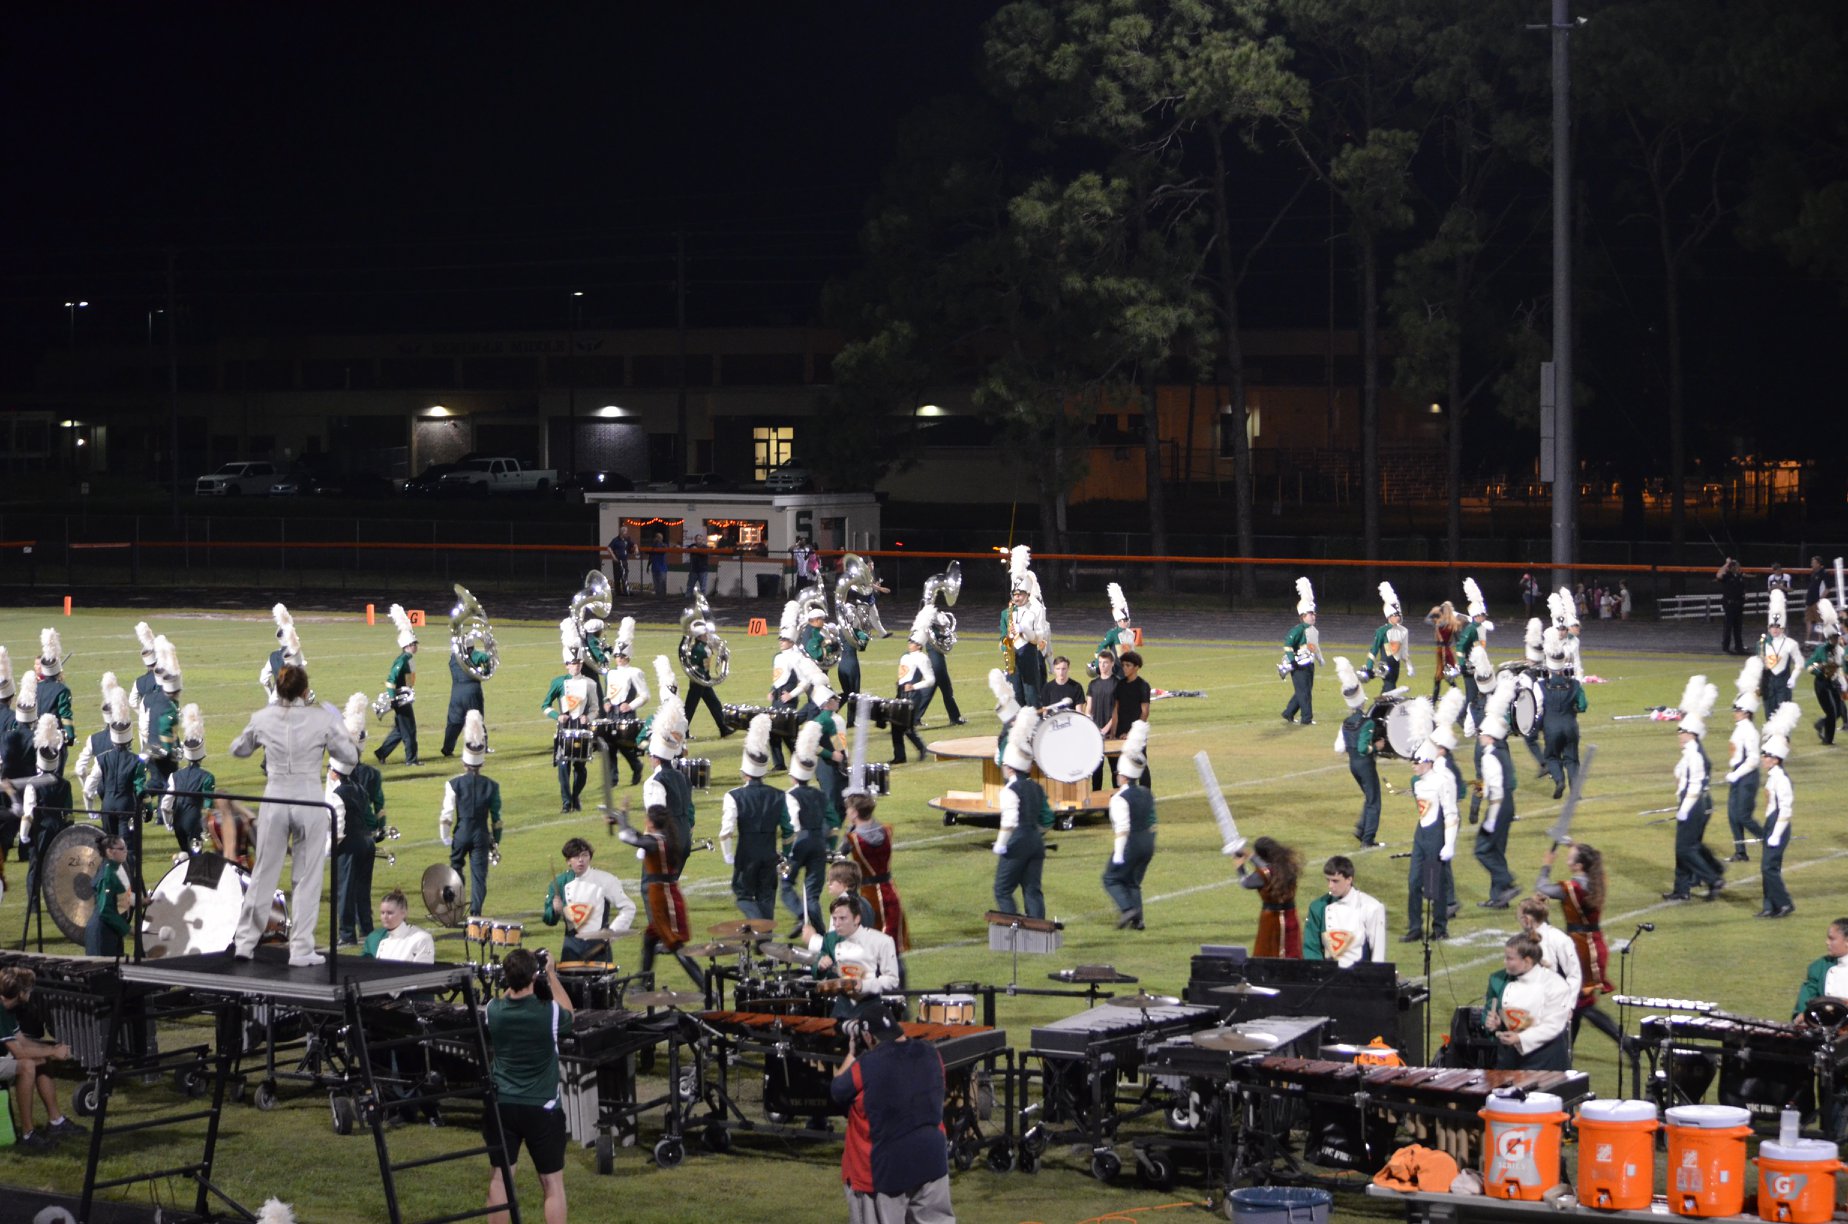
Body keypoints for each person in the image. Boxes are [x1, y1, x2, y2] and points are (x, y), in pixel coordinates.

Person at [231, 664, 359, 966]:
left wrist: (260, 735)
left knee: (263, 873)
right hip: (309, 799)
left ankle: (244, 943)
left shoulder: (263, 717)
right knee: (306, 876)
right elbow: (350, 756)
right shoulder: (322, 718)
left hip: (275, 798)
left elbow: (239, 749)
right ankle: (301, 949)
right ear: (305, 690)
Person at [830, 1005, 954, 1224]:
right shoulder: (931, 1053)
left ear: (868, 1036)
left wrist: (852, 1054)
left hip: (883, 1172)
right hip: (932, 1162)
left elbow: (837, 1090)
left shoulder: (867, 1064)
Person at [483, 947, 573, 1224]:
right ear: (534, 976)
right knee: (552, 1184)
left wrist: (525, 974)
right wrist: (551, 974)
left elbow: (506, 997)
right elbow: (570, 1013)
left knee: (500, 1179)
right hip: (542, 1107)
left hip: (503, 1105)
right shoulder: (549, 1013)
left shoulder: (493, 1010)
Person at [613, 802, 706, 992]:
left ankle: (705, 986)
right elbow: (638, 836)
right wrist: (622, 820)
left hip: (664, 898)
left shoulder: (654, 843)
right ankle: (644, 983)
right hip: (663, 894)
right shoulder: (662, 839)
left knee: (675, 945)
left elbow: (629, 838)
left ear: (650, 822)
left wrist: (621, 821)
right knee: (649, 939)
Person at [1535, 842, 1620, 1045]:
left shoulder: (1570, 888)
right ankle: (1567, 1050)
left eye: (1570, 857)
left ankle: (1625, 1042)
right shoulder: (1598, 880)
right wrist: (1573, 844)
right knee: (1575, 1001)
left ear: (1578, 865)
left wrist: (1547, 865)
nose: (1567, 859)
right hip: (1594, 945)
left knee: (1581, 1004)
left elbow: (1541, 887)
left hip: (1580, 949)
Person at [1, 966, 83, 1151]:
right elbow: (19, 1053)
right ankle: (28, 1134)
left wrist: (52, 1048)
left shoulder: (7, 1007)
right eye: (29, 990)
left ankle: (56, 1121)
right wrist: (53, 1051)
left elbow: (22, 1041)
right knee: (27, 1066)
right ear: (21, 993)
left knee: (42, 1058)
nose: (31, 993)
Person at [719, 713, 787, 923]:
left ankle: (760, 927)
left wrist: (728, 855)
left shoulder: (734, 796)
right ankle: (765, 938)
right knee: (767, 896)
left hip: (746, 855)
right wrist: (787, 853)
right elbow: (789, 829)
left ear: (744, 771)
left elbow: (726, 832)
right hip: (770, 853)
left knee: (743, 895)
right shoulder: (779, 795)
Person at [1663, 676, 1725, 903]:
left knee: (1685, 848)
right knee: (1689, 846)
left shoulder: (1695, 755)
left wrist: (1684, 808)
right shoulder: (1692, 752)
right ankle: (1683, 888)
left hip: (1695, 803)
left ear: (1690, 733)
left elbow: (1696, 784)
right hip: (1698, 803)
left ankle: (1713, 878)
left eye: (1682, 731)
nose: (1679, 735)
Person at [439, 711, 502, 918]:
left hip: (461, 832)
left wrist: (445, 835)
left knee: (456, 869)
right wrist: (496, 840)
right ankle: (475, 913)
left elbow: (447, 813)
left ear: (464, 762)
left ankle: (455, 907)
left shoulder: (453, 783)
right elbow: (497, 818)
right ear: (482, 763)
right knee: (479, 876)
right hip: (481, 834)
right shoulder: (492, 786)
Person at [328, 708, 381, 948]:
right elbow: (370, 818)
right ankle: (367, 929)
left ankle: (347, 934)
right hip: (367, 844)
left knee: (345, 890)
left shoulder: (337, 793)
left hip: (349, 846)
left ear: (336, 773)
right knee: (362, 890)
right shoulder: (359, 789)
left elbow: (338, 828)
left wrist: (329, 849)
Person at [992, 706, 1050, 919]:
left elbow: (1009, 822)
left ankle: (1013, 929)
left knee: (1002, 889)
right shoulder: (1037, 787)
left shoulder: (1010, 790)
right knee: (1033, 890)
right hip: (1036, 841)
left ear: (1008, 767)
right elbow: (1047, 819)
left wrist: (1000, 843)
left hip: (1017, 841)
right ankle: (1039, 930)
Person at [1485, 934, 1574, 1070]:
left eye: (1510, 958)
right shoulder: (1503, 980)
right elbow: (1514, 1020)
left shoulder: (1555, 984)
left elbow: (1552, 1026)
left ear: (1527, 961)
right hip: (1511, 1057)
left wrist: (1520, 1038)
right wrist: (1498, 1024)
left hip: (1547, 1059)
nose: (1505, 962)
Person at [807, 894, 902, 1019]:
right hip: (841, 1006)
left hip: (870, 1004)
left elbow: (892, 980)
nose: (837, 924)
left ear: (856, 919)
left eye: (842, 918)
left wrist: (864, 985)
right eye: (834, 919)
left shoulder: (882, 941)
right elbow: (816, 972)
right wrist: (820, 966)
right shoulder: (830, 939)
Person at [1402, 735, 1458, 944]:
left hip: (1435, 835)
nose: (1413, 766)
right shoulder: (1417, 783)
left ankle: (1439, 927)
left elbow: (1451, 813)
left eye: (1416, 762)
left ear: (1428, 762)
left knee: (1434, 885)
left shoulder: (1442, 782)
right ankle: (1415, 927)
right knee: (1414, 881)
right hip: (1421, 833)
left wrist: (1449, 843)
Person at [544, 836, 637, 962]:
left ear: (590, 857)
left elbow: (628, 907)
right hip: (571, 948)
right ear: (568, 861)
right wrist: (555, 911)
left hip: (599, 947)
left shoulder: (606, 880)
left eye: (585, 855)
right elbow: (548, 920)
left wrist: (611, 933)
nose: (581, 860)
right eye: (576, 856)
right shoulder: (560, 883)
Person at [641, 665, 697, 869]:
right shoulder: (674, 719)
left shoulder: (677, 720)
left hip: (669, 765)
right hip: (670, 765)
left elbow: (656, 814)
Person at [1472, 674, 1521, 909]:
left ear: (1490, 737)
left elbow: (1497, 789)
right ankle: (1499, 897)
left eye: (1482, 733)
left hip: (1499, 805)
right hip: (1508, 804)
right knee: (1496, 849)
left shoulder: (1489, 756)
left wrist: (1491, 819)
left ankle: (1507, 882)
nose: (1479, 736)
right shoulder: (1502, 752)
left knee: (1482, 849)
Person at [1102, 721, 1155, 929]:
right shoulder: (1146, 793)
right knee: (1133, 882)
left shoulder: (1119, 799)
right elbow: (1152, 821)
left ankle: (1127, 909)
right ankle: (1138, 921)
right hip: (1148, 842)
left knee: (1111, 878)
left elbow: (1122, 829)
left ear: (1122, 776)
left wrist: (1118, 853)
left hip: (1131, 842)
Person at [542, 634, 603, 814]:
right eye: (572, 663)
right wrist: (557, 716)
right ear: (566, 665)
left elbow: (595, 708)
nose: (575, 666)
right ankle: (566, 802)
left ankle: (575, 797)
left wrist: (588, 718)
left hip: (581, 728)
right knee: (563, 766)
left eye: (578, 663)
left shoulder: (590, 683)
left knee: (580, 767)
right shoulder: (558, 682)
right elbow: (545, 705)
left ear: (581, 664)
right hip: (565, 728)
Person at [780, 722, 830, 937]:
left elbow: (792, 824)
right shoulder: (820, 794)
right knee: (812, 893)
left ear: (793, 775)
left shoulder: (790, 795)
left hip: (800, 843)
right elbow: (831, 819)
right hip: (819, 843)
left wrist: (786, 852)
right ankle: (822, 933)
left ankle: (802, 916)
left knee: (785, 884)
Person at [1328, 659, 1384, 848]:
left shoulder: (1345, 723)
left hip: (1353, 765)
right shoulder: (1367, 722)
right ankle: (1368, 840)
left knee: (1369, 797)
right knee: (1374, 801)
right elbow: (1363, 748)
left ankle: (1361, 829)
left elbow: (1339, 748)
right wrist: (1376, 747)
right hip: (1365, 764)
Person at [842, 792, 907, 949]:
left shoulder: (853, 839)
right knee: (892, 946)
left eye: (848, 809)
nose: (846, 813)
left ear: (855, 813)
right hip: (891, 892)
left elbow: (841, 854)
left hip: (869, 897)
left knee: (871, 947)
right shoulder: (887, 830)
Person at [85, 681, 145, 843]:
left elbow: (89, 787)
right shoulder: (137, 761)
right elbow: (140, 788)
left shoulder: (101, 758)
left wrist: (90, 804)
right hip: (126, 806)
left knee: (109, 845)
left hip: (107, 804)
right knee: (126, 845)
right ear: (129, 738)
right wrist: (146, 805)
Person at [1757, 702, 1801, 919]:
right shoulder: (1773, 776)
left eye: (1766, 755)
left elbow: (1785, 809)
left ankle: (1784, 903)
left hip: (1779, 825)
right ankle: (1769, 906)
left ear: (1775, 758)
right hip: (1771, 822)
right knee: (1767, 867)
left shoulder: (1781, 779)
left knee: (1768, 867)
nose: (1763, 758)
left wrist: (1775, 834)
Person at [1303, 855, 1388, 965]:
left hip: (1360, 973)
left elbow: (1378, 954)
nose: (1330, 886)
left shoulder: (1371, 907)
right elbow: (1311, 947)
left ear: (1349, 880)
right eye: (1328, 880)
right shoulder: (1318, 907)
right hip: (1327, 973)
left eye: (1335, 881)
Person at [159, 702, 215, 856]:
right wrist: (206, 828)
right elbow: (208, 807)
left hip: (178, 820)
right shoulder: (207, 777)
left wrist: (168, 822)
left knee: (184, 857)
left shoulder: (175, 775)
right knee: (196, 860)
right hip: (194, 822)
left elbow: (165, 804)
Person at [1723, 658, 1765, 861]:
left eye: (1738, 710)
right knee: (1733, 816)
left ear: (1746, 713)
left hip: (1747, 776)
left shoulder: (1749, 731)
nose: (1735, 713)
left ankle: (1769, 841)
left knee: (1743, 816)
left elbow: (1754, 759)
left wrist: (1736, 774)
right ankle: (1740, 852)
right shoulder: (1740, 728)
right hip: (1738, 774)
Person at [1539, 623, 1587, 800]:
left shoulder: (1541, 686)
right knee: (1572, 759)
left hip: (1551, 726)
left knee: (1552, 757)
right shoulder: (1574, 684)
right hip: (1570, 725)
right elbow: (1583, 705)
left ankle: (1559, 780)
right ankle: (1575, 791)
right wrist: (1573, 709)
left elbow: (1537, 708)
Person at [1236, 835, 1302, 957]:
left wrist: (1240, 867)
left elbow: (1246, 883)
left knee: (1269, 953)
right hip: (1291, 914)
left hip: (1272, 918)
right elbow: (1267, 867)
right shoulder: (1288, 865)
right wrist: (1250, 856)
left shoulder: (1263, 874)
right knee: (1292, 951)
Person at [374, 604, 422, 766]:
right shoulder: (402, 660)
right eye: (414, 643)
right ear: (408, 645)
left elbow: (409, 680)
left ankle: (381, 752)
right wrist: (393, 698)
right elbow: (391, 680)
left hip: (404, 698)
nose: (416, 646)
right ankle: (411, 760)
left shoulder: (408, 659)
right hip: (400, 700)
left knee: (400, 730)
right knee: (409, 729)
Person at [1002, 545, 1049, 707]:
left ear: (1027, 594)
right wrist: (1006, 645)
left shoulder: (1035, 609)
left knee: (1032, 695)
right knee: (1016, 695)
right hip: (1013, 656)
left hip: (1029, 654)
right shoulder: (1009, 611)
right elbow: (1004, 634)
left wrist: (1022, 630)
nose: (1017, 598)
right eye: (1014, 594)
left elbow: (1039, 637)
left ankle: (1035, 721)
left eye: (1020, 594)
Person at [890, 610, 937, 764]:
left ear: (919, 645)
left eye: (912, 642)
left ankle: (921, 748)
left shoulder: (922, 658)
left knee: (906, 726)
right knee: (896, 726)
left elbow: (930, 680)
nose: (909, 644)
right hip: (901, 693)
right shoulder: (905, 656)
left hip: (912, 695)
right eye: (909, 641)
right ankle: (900, 756)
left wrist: (914, 686)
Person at [442, 631, 492, 760]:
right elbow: (485, 659)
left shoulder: (453, 658)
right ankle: (482, 746)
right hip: (472, 691)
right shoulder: (473, 656)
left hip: (456, 692)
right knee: (476, 718)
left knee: (454, 722)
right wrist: (486, 670)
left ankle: (447, 748)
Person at [84, 833, 134, 957]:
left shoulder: (116, 868)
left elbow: (120, 894)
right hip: (102, 933)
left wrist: (140, 901)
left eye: (126, 848)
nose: (126, 851)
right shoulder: (108, 875)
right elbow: (105, 910)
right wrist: (128, 929)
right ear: (110, 852)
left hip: (112, 930)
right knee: (105, 968)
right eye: (121, 849)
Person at [1280, 577, 1321, 725]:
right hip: (1298, 665)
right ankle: (1306, 718)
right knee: (1304, 692)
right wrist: (1292, 661)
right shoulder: (1297, 630)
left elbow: (1313, 647)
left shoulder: (1313, 630)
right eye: (1311, 614)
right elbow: (1287, 645)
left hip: (1309, 664)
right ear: (1303, 616)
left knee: (1304, 690)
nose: (1314, 616)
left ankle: (1288, 712)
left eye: (1314, 614)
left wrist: (1320, 658)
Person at [1111, 650, 1153, 790]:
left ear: (1136, 667)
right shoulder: (1120, 685)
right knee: (1119, 765)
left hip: (1136, 732)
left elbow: (1145, 712)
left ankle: (1145, 794)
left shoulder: (1143, 685)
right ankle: (1122, 793)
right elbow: (1116, 710)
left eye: (1128, 665)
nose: (1124, 668)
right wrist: (1113, 732)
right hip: (1121, 729)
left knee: (1139, 763)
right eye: (1123, 665)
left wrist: (1132, 733)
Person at [1792, 918, 1848, 1020]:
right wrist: (1802, 1014)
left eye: (1832, 939)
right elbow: (1805, 1001)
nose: (1827, 942)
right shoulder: (1819, 967)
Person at [1805, 599, 1844, 744]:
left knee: (1838, 711)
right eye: (1833, 637)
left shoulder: (1839, 650)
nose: (1836, 639)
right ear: (1828, 637)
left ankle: (1820, 724)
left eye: (1837, 637)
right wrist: (1820, 667)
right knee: (1832, 712)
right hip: (1822, 683)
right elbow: (1809, 665)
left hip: (1833, 682)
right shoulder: (1821, 650)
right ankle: (1828, 740)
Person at [365, 888, 436, 963]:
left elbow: (424, 969)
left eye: (390, 913)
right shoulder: (383, 942)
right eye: (382, 913)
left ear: (403, 913)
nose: (385, 917)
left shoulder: (421, 939)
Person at [1363, 583, 1410, 692]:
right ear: (1389, 615)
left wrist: (1409, 665)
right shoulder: (1382, 631)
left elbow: (1403, 651)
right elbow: (1374, 650)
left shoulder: (1402, 631)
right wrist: (1369, 666)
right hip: (1385, 666)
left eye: (1398, 614)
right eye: (1395, 615)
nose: (1398, 617)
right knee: (1390, 688)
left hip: (1396, 665)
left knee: (1389, 689)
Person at [1086, 648, 1120, 790]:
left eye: (1105, 663)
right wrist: (1092, 726)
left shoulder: (1117, 683)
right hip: (1096, 732)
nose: (1102, 666)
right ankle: (1096, 797)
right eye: (1100, 663)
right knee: (1096, 770)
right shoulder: (1093, 684)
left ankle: (1118, 796)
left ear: (1112, 663)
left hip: (1113, 733)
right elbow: (1089, 709)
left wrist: (1107, 728)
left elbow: (1118, 710)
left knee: (1115, 768)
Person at [1760, 590, 1800, 711]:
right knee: (1769, 713)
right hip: (1768, 682)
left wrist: (1793, 677)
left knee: (1783, 712)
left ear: (1782, 628)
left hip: (1783, 681)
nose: (1775, 630)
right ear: (1768, 628)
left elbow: (1799, 662)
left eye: (1778, 627)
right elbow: (1758, 663)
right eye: (1772, 627)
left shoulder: (1790, 643)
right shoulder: (1762, 643)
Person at [1424, 599, 1461, 702]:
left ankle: (1457, 697)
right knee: (1443, 678)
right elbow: (1458, 640)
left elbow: (1427, 620)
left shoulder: (1440, 623)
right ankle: (1435, 702)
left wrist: (1432, 612)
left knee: (1441, 678)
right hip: (1447, 650)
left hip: (1442, 652)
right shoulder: (1453, 623)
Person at [1715, 558, 1748, 654]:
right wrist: (1727, 564)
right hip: (1729, 604)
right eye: (1737, 566)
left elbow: (1742, 588)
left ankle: (1739, 647)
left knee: (1738, 627)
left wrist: (1744, 595)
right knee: (1728, 627)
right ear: (1732, 567)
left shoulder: (1740, 577)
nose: (1739, 568)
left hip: (1739, 604)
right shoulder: (1727, 576)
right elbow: (1718, 575)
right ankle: (1726, 647)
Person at [1804, 557, 1827, 640]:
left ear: (1818, 564)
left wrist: (1820, 599)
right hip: (1809, 601)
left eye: (1813, 563)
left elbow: (1828, 588)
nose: (1811, 564)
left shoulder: (1823, 573)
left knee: (1819, 621)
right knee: (1808, 620)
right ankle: (1807, 640)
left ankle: (1819, 640)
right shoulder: (1814, 573)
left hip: (1817, 601)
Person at [607, 529, 633, 596]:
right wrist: (613, 557)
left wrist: (636, 548)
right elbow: (609, 548)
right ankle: (618, 592)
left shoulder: (627, 540)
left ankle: (626, 591)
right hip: (617, 561)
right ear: (622, 532)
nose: (627, 533)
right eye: (625, 531)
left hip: (624, 560)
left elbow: (633, 544)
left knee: (624, 576)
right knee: (617, 576)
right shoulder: (615, 540)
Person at [685, 529, 710, 597]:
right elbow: (686, 549)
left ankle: (702, 600)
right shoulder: (692, 546)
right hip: (693, 570)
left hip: (703, 570)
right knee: (690, 586)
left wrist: (696, 550)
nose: (698, 540)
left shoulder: (705, 547)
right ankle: (687, 599)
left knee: (703, 587)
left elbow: (705, 553)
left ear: (702, 540)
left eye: (700, 539)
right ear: (695, 540)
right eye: (697, 539)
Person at [649, 530, 669, 596]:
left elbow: (665, 549)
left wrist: (658, 543)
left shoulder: (664, 545)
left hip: (662, 568)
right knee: (656, 583)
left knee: (662, 583)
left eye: (660, 537)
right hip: (654, 567)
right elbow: (650, 554)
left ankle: (663, 596)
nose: (658, 539)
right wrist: (648, 566)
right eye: (657, 537)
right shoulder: (653, 545)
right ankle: (657, 596)